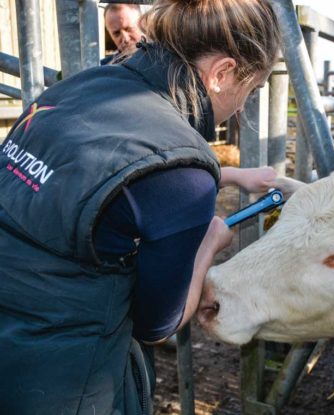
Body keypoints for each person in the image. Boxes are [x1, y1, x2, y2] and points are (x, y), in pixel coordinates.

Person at [0, 0, 281, 414]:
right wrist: (209, 244)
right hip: (58, 382)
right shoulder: (184, 173)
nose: (242, 107)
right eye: (250, 89)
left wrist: (233, 175)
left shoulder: (78, 88)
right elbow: (156, 325)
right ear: (222, 73)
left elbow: (103, 176)